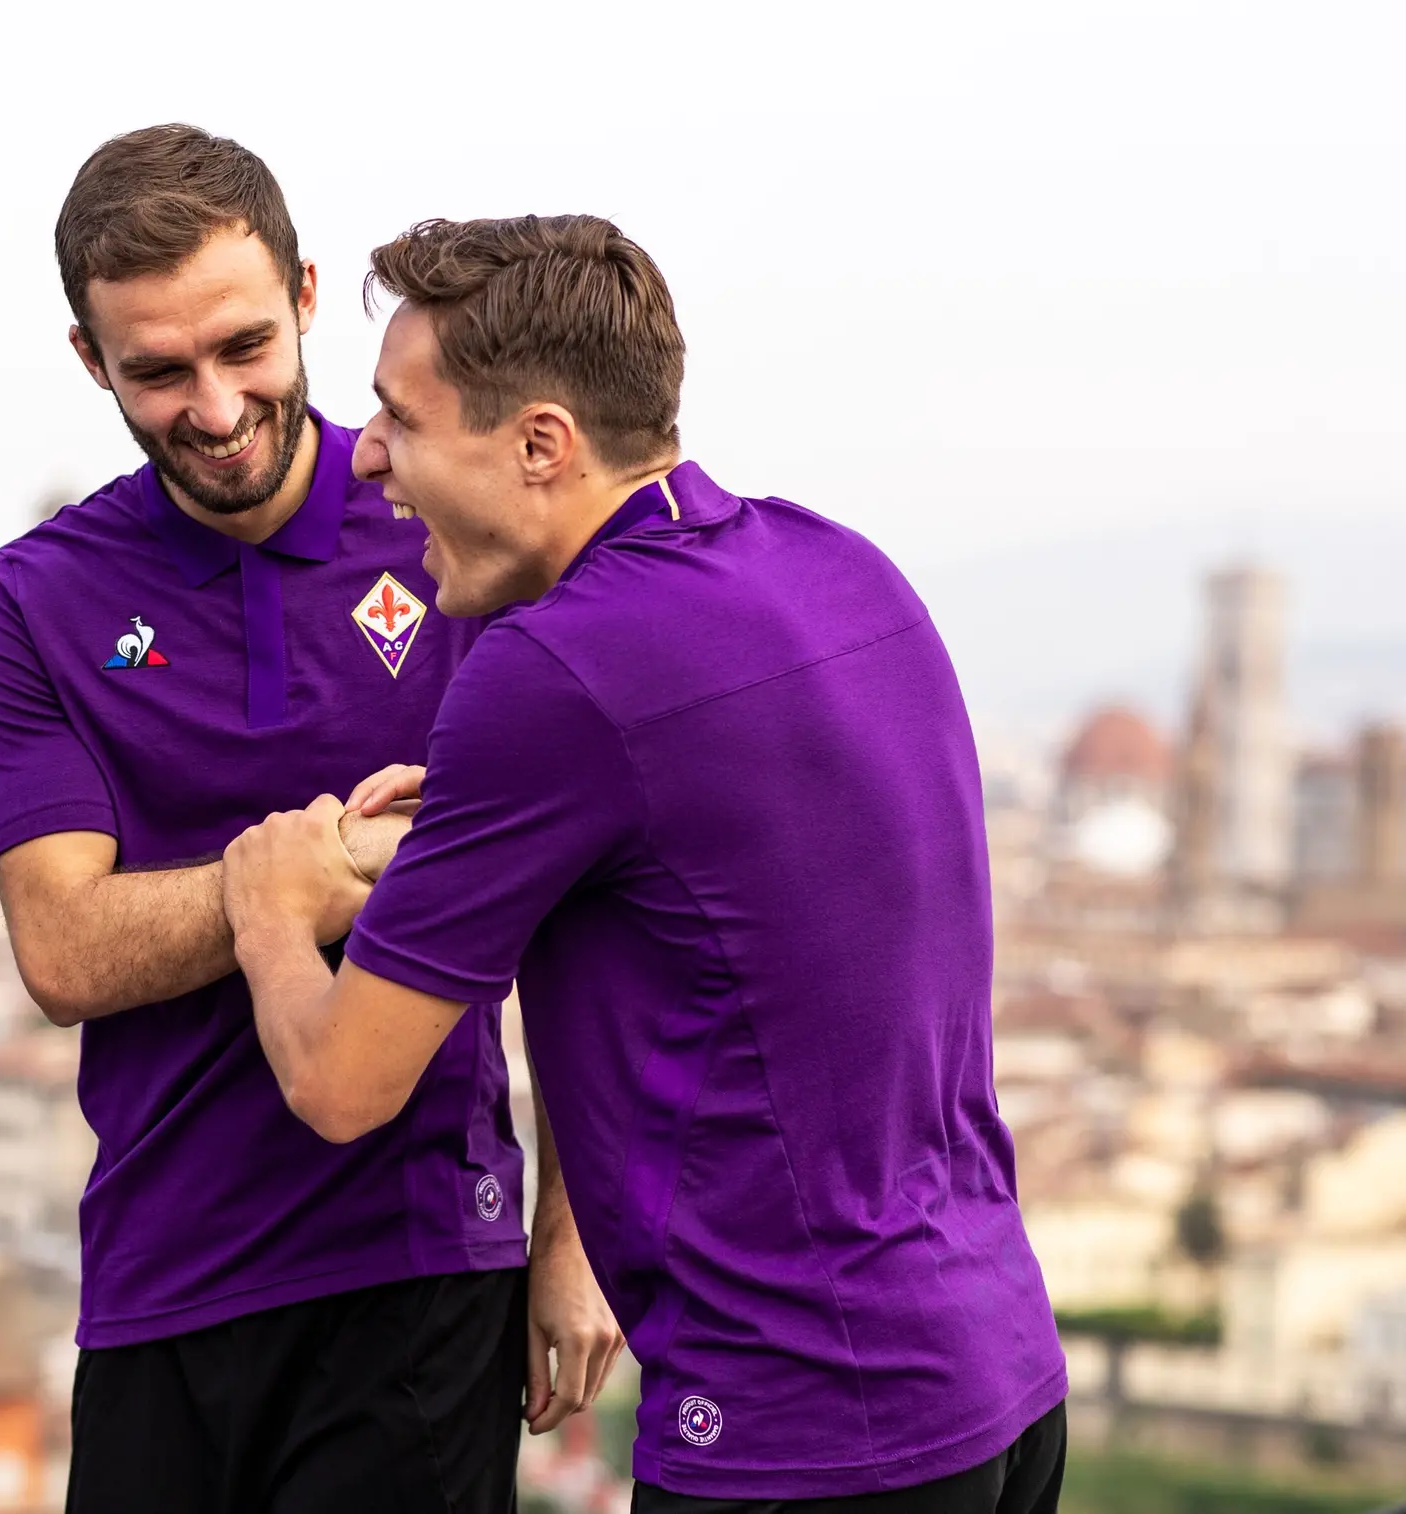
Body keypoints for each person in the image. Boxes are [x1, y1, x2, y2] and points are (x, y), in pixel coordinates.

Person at [221, 214, 1067, 1512]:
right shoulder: (842, 568)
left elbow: (342, 1082)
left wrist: (270, 906)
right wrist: (491, 816)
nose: (370, 458)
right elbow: (742, 826)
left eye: (401, 416)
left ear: (541, 444)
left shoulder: (550, 669)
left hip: (799, 1422)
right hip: (997, 1376)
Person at [0, 126, 621, 1513]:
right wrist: (303, 877)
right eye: (156, 369)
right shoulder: (35, 599)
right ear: (92, 362)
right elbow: (65, 953)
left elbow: (574, 916)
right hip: (158, 1275)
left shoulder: (455, 541)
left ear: (309, 296)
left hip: (422, 1259)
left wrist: (571, 1234)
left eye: (243, 347)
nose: (213, 405)